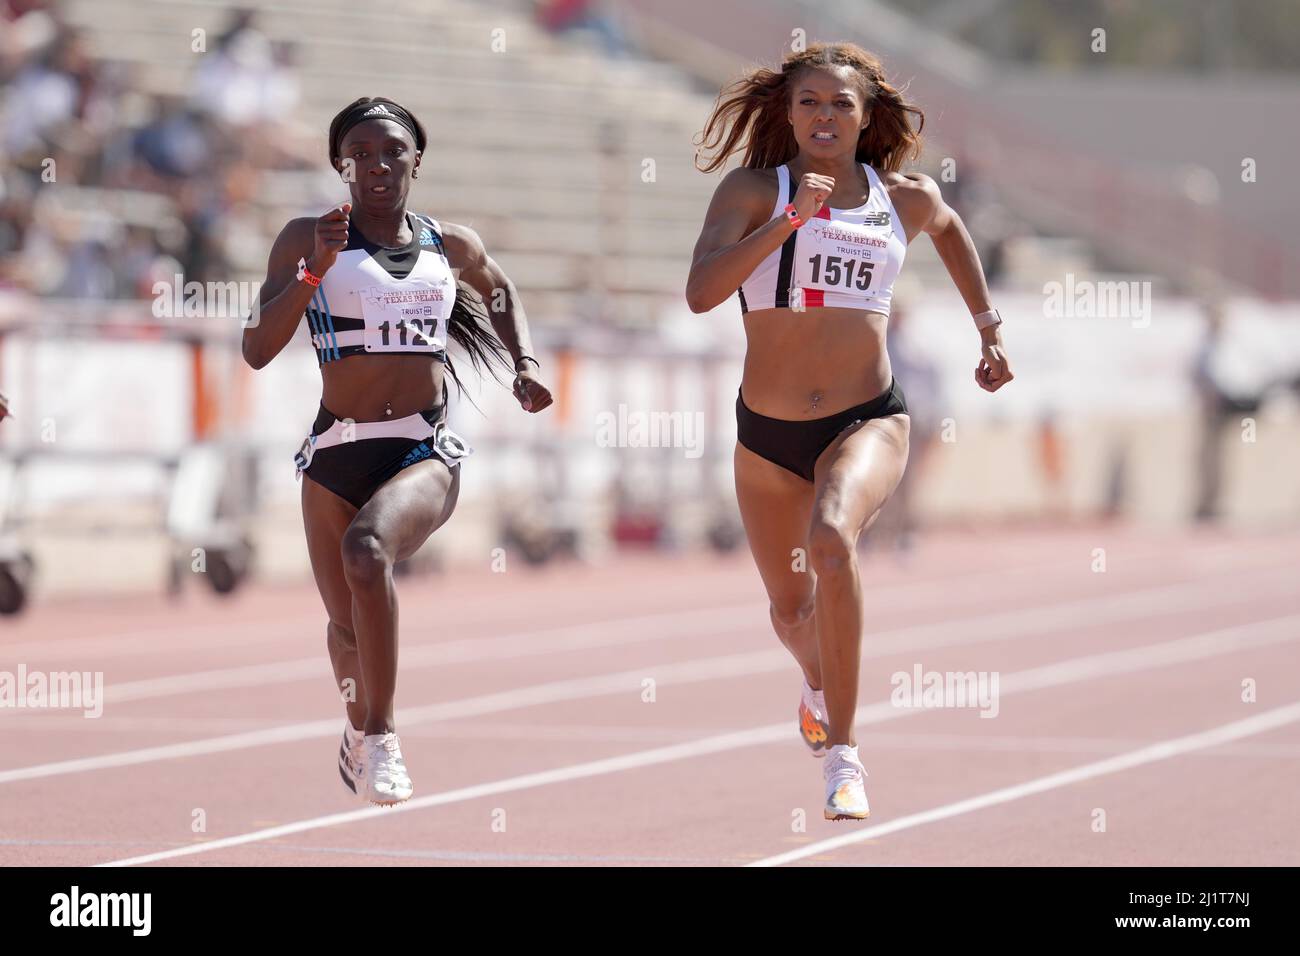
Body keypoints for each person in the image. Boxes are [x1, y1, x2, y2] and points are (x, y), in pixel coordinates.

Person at [686, 43, 1012, 820]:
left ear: (867, 117)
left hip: (867, 418)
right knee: (790, 614)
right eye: (809, 103)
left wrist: (988, 330)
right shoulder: (752, 190)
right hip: (765, 435)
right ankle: (817, 680)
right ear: (788, 112)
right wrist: (789, 222)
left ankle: (844, 754)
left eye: (840, 104)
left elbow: (950, 227)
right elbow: (701, 293)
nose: (824, 116)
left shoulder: (900, 198)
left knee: (833, 538)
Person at [242, 96, 553, 806]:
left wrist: (524, 363)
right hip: (333, 453)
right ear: (338, 164)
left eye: (392, 152)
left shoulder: (452, 245)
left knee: (367, 552)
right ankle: (358, 729)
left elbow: (499, 291)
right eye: (360, 154)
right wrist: (314, 271)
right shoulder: (304, 237)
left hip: (420, 448)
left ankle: (383, 735)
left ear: (416, 160)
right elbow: (257, 349)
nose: (377, 166)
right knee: (344, 631)